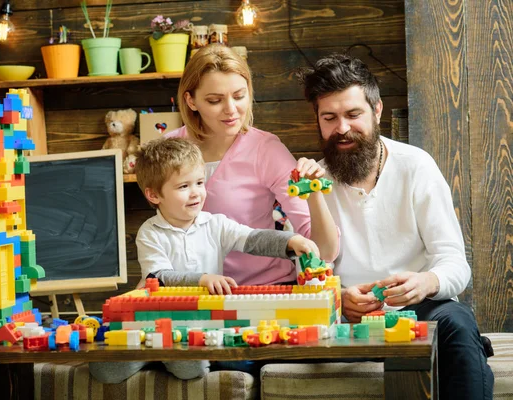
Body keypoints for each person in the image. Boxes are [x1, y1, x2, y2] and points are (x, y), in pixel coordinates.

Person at [297, 53, 493, 399]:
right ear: (318, 119)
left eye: (353, 114)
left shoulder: (416, 166)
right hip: (347, 320)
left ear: (377, 111)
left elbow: (454, 262)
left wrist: (425, 281)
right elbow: (311, 268)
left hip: (420, 309)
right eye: (329, 117)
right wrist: (338, 299)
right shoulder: (314, 181)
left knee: (458, 320)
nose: (341, 128)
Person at [89, 137, 321, 384]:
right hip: (157, 319)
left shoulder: (215, 224)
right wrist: (202, 279)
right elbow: (158, 277)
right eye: (183, 187)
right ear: (154, 194)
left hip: (200, 322)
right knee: (105, 370)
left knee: (193, 368)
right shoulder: (151, 232)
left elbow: (252, 238)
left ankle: (165, 352)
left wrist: (290, 241)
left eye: (199, 182)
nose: (196, 193)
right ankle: (152, 350)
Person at [166, 44, 339, 286]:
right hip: (192, 292)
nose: (231, 109)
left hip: (264, 290)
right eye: (215, 100)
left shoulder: (265, 149)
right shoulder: (168, 148)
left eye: (239, 96)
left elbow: (325, 250)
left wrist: (314, 194)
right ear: (191, 101)